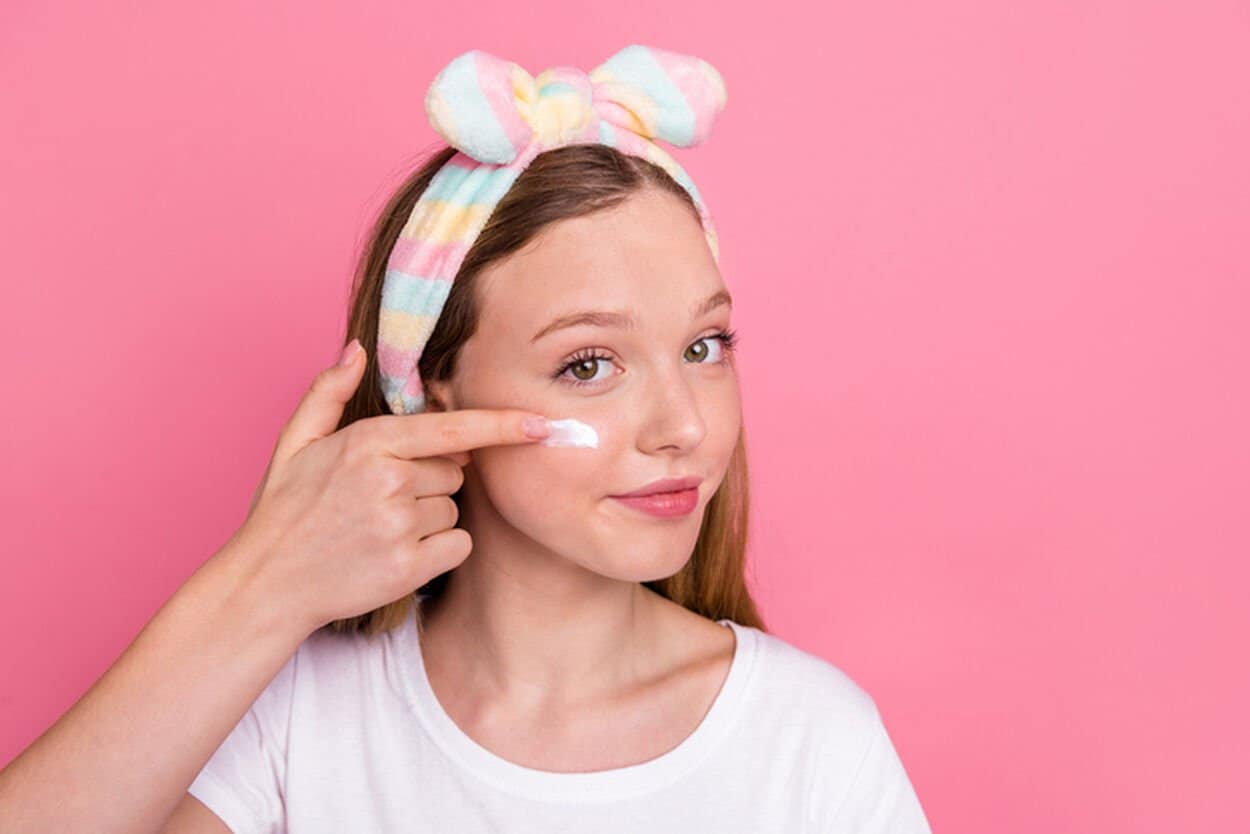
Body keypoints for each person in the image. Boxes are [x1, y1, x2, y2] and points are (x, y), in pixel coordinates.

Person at [0, 45, 931, 832]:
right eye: (589, 363)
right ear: (432, 382)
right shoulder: (297, 717)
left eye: (704, 346)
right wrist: (261, 584)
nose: (686, 426)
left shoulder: (810, 740)